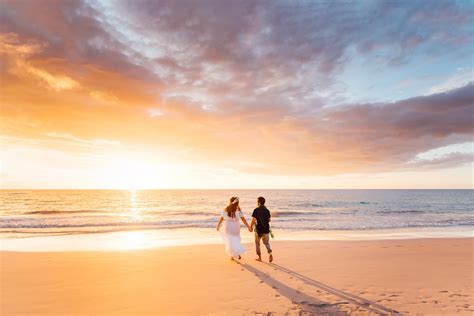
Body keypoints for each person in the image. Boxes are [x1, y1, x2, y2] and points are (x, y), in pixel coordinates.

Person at [249, 196, 273, 262]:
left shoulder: (256, 210)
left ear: (259, 202)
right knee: (266, 243)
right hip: (266, 229)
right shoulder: (267, 210)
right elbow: (269, 220)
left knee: (257, 243)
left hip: (258, 229)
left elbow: (253, 220)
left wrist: (250, 226)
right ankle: (270, 253)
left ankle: (259, 257)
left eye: (257, 201)